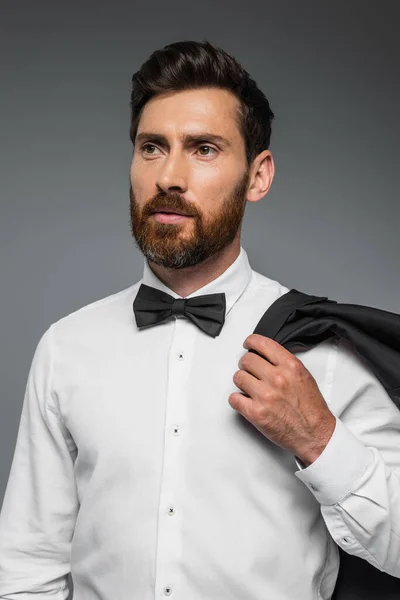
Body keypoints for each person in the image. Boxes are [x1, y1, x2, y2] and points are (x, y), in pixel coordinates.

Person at [0, 39, 399, 600]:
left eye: (204, 148)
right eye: (152, 147)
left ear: (258, 177)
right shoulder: (67, 347)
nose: (170, 175)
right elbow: (27, 564)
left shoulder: (324, 348)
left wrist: (321, 440)